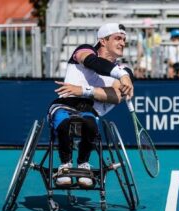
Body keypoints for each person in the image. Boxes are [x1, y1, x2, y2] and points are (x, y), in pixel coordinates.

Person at [48, 23, 134, 188]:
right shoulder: (84, 50)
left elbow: (116, 97)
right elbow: (94, 62)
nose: (122, 43)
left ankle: (83, 165)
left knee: (89, 122)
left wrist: (83, 90)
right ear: (103, 41)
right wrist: (121, 75)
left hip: (89, 110)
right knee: (63, 120)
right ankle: (65, 165)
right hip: (64, 104)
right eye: (118, 38)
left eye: (124, 39)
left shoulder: (124, 70)